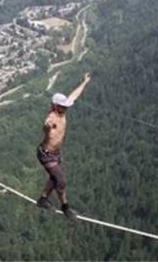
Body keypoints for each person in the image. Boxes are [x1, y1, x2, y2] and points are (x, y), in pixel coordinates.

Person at [36, 72, 91, 218]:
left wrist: (84, 82)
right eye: (62, 106)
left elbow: (73, 95)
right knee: (60, 181)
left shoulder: (62, 112)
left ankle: (43, 199)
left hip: (55, 153)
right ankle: (66, 207)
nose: (65, 108)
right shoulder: (52, 117)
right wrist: (48, 127)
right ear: (55, 106)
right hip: (45, 154)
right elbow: (47, 125)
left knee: (54, 179)